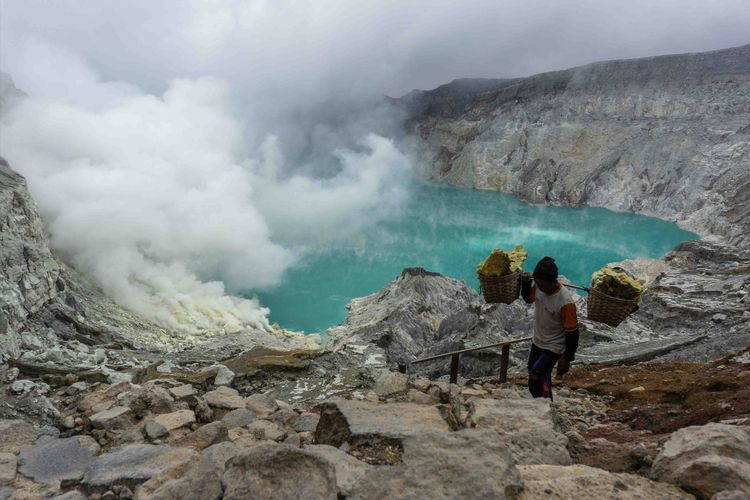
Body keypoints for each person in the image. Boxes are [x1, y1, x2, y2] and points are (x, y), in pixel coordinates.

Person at [520, 256, 580, 400]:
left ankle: (543, 404)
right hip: (538, 341)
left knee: (535, 376)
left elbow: (572, 332)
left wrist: (567, 358)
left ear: (553, 281)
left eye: (543, 285)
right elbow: (528, 298)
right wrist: (526, 283)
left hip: (553, 346)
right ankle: (547, 404)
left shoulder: (565, 302)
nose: (540, 288)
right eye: (538, 284)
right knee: (537, 374)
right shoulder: (540, 287)